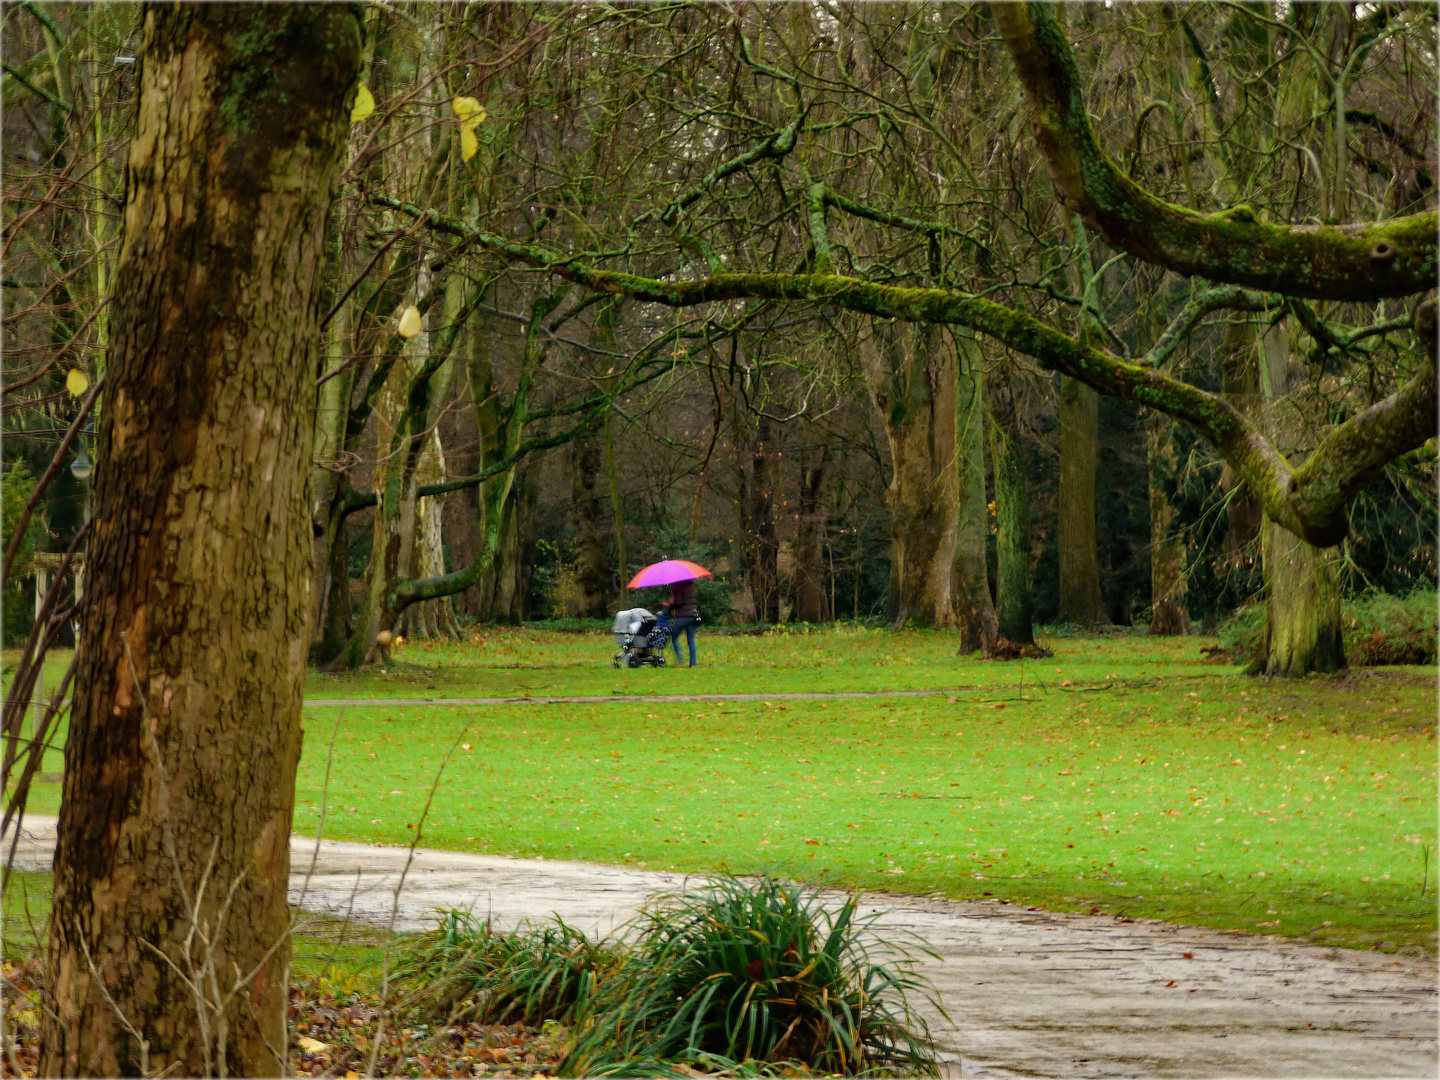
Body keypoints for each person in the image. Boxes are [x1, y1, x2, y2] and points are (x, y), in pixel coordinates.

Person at [659, 578, 700, 667]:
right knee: (691, 641)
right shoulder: (691, 587)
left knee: (674, 638)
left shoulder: (678, 587)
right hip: (693, 616)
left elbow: (678, 602)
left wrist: (670, 604)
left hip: (682, 617)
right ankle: (693, 664)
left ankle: (680, 660)